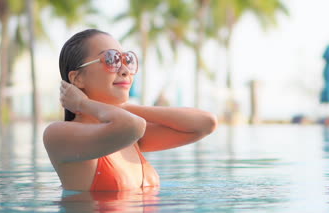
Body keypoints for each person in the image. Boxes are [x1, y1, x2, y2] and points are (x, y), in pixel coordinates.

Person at [43, 29, 218, 192]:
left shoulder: (130, 136)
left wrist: (120, 106)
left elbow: (205, 123)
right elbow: (133, 126)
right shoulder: (57, 135)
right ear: (77, 78)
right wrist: (83, 105)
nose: (125, 70)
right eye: (111, 60)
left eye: (127, 60)